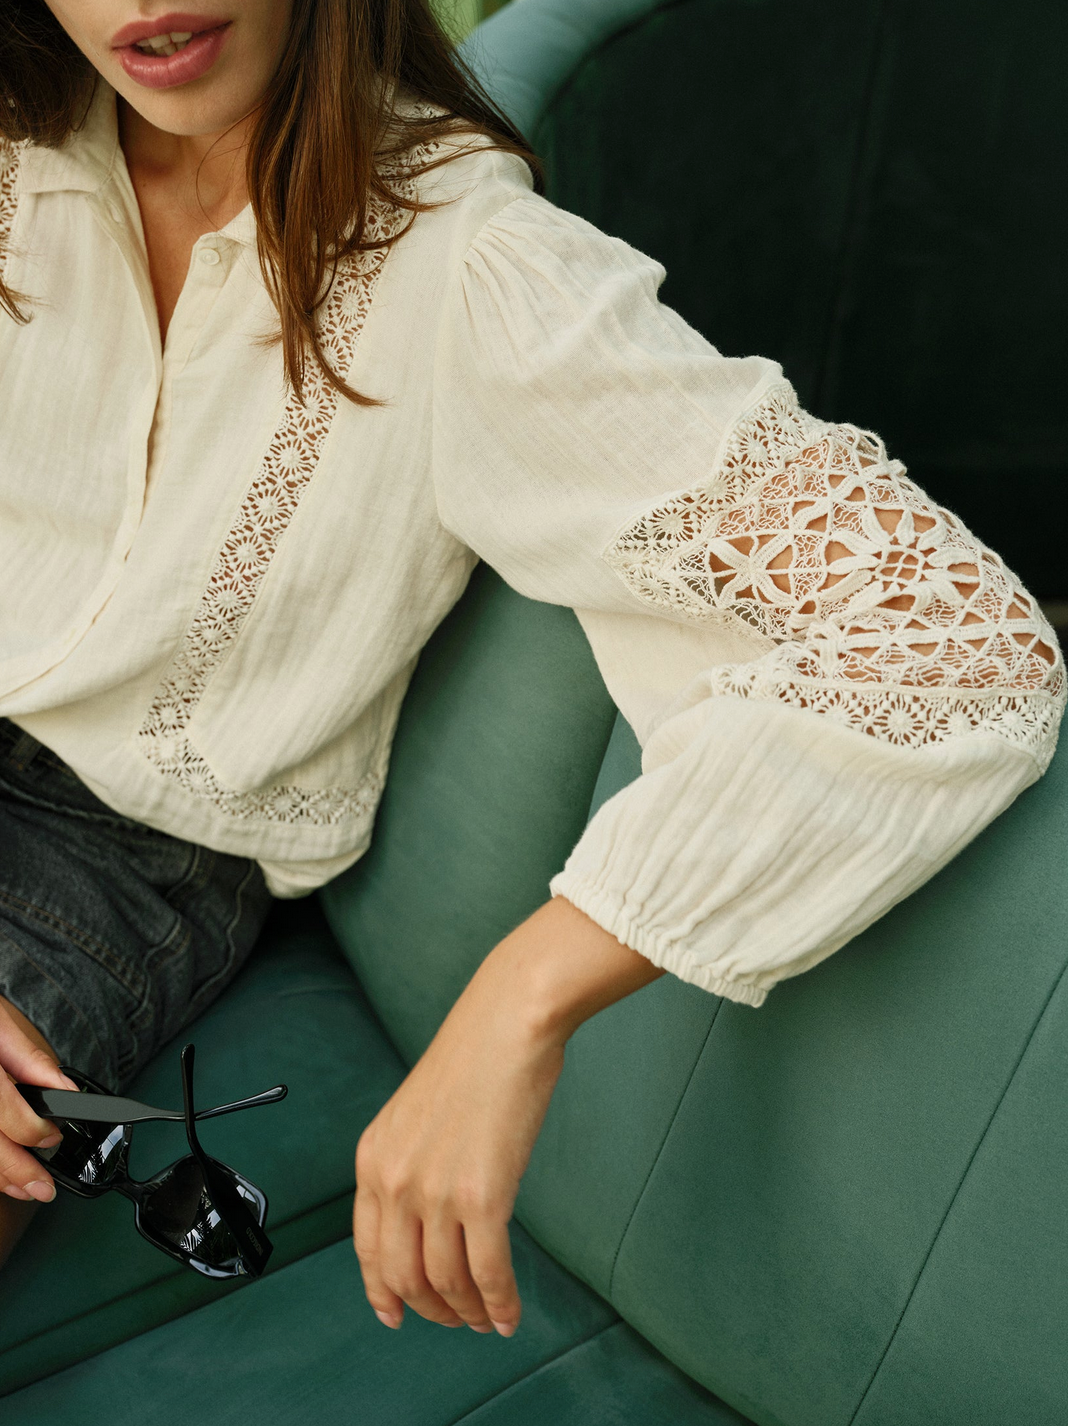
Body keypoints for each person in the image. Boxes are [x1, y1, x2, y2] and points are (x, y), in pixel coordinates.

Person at [0, 0, 1062, 1341]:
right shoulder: (22, 150)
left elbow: (947, 637)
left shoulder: (470, 270)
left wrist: (525, 993)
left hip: (106, 861)